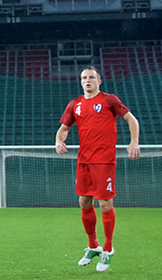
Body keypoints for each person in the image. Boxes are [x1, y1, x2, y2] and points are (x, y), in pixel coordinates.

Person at [55, 66, 140, 273]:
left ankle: (108, 249)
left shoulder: (109, 100)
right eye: (84, 78)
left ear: (99, 81)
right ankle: (93, 246)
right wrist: (58, 141)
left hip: (104, 160)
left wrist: (134, 142)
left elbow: (131, 119)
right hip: (84, 160)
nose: (87, 80)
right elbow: (64, 129)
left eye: (91, 77)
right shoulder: (75, 104)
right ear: (80, 81)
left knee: (104, 203)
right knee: (83, 201)